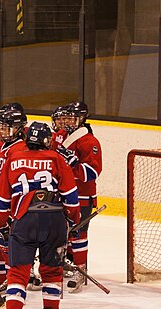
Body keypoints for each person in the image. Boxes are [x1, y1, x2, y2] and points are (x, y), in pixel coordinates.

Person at [0, 122, 80, 309]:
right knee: (51, 271)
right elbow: (71, 199)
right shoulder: (57, 159)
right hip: (54, 219)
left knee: (18, 273)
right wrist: (71, 222)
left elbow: (1, 203)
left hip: (25, 220)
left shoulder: (13, 159)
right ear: (47, 141)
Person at [55, 102, 103, 292]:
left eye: (71, 118)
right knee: (59, 233)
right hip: (60, 193)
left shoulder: (90, 142)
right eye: (65, 117)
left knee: (78, 234)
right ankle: (61, 266)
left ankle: (80, 270)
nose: (67, 121)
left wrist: (73, 165)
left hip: (82, 195)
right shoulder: (59, 136)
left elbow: (92, 172)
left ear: (82, 118)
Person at [0, 104, 29, 288]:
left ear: (18, 129)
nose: (1, 131)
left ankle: (15, 281)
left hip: (12, 207)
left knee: (10, 249)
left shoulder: (19, 150)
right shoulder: (3, 146)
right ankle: (4, 283)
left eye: (5, 127)